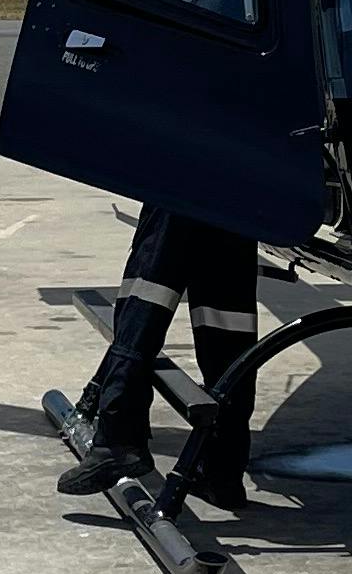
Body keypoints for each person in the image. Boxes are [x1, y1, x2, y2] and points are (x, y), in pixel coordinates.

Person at [59, 203, 259, 508]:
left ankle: (119, 436)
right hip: (255, 175)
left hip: (198, 167)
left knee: (148, 283)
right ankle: (223, 469)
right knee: (226, 312)